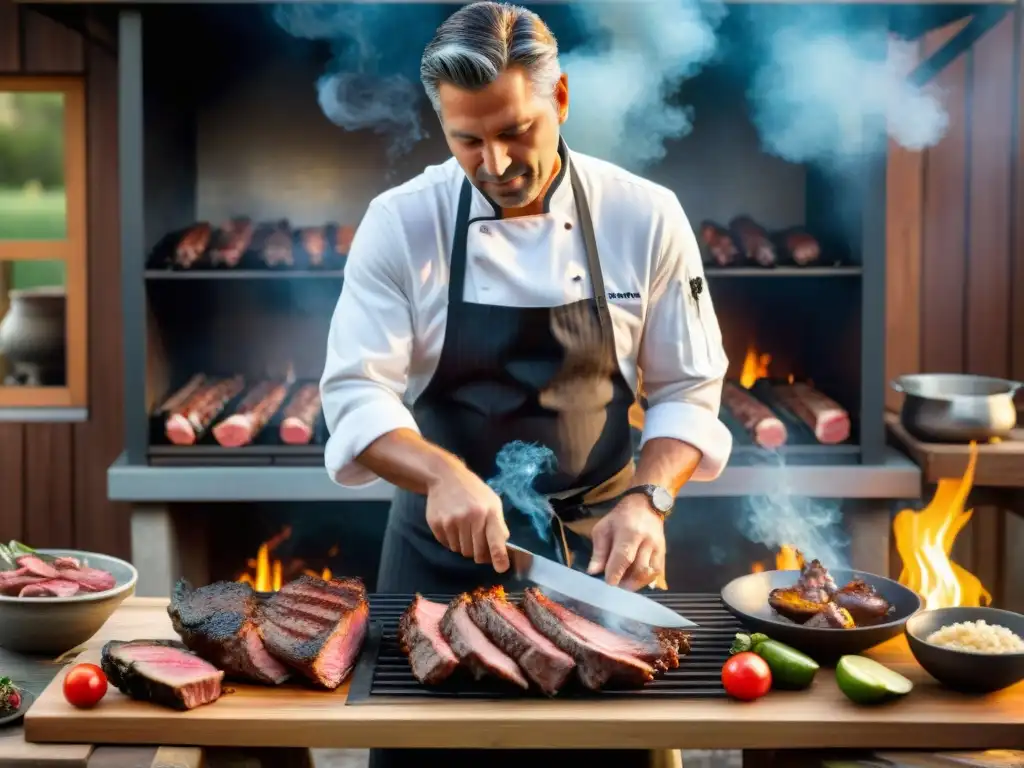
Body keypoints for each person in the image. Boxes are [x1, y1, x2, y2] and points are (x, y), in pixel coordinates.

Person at [320, 2, 732, 765]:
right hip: (438, 570)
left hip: (604, 558)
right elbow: (354, 393)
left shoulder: (645, 216)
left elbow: (687, 390)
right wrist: (440, 473)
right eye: (467, 140)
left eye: (516, 132)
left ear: (561, 99)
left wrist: (651, 499)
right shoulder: (401, 222)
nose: (497, 163)